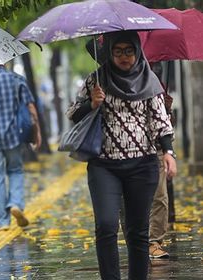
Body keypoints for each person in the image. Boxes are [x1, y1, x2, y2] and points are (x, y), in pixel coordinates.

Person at [67, 31, 177, 280]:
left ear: (137, 51)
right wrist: (91, 104)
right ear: (110, 52)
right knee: (106, 226)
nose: (124, 56)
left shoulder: (150, 80)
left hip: (142, 164)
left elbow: (160, 121)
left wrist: (168, 152)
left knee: (137, 232)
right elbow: (73, 114)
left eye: (129, 51)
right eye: (118, 51)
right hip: (104, 165)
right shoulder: (96, 79)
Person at [0, 64, 41, 231]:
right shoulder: (16, 79)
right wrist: (37, 132)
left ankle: (3, 221)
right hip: (13, 136)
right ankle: (16, 203)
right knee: (15, 170)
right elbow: (30, 107)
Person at [149, 62, 174, 259]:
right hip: (124, 152)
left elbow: (164, 123)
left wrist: (166, 107)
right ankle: (138, 240)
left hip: (155, 147)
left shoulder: (155, 81)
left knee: (160, 196)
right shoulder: (108, 78)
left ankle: (154, 241)